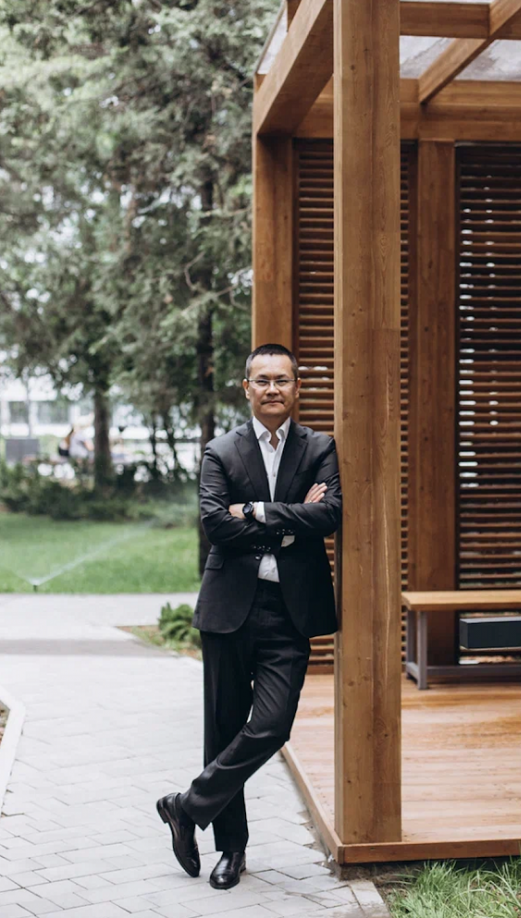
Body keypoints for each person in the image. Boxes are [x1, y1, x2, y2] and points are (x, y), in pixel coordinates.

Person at [156, 343, 341, 891]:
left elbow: (329, 515)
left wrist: (257, 511)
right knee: (224, 728)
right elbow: (216, 524)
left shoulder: (320, 447)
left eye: (282, 380)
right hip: (229, 608)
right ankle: (231, 851)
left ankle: (187, 805)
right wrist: (290, 523)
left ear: (297, 387)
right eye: (262, 380)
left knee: (272, 725)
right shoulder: (221, 451)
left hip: (290, 610)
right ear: (246, 388)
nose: (272, 389)